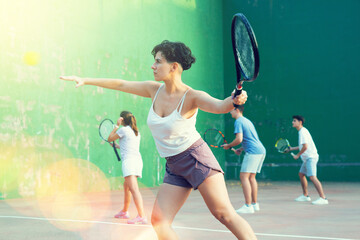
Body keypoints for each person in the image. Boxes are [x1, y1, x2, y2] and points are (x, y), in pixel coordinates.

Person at [61, 40, 257, 240]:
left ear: (173, 66)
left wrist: (234, 99)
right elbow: (121, 84)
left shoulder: (192, 96)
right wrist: (85, 79)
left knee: (223, 214)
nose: (153, 66)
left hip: (196, 159)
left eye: (158, 61)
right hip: (173, 165)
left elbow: (220, 106)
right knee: (159, 222)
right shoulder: (153, 90)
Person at [222, 105, 266, 214]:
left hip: (253, 152)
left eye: (231, 110)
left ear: (237, 110)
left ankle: (248, 206)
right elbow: (250, 138)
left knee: (244, 177)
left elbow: (239, 139)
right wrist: (241, 149)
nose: (229, 112)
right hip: (260, 150)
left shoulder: (238, 122)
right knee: (251, 177)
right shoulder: (247, 121)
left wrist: (228, 145)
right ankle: (254, 204)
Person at [108, 111, 147, 224]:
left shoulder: (123, 130)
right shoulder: (136, 131)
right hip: (137, 161)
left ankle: (141, 216)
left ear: (122, 119)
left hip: (129, 162)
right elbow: (128, 146)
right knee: (127, 187)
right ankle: (125, 212)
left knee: (134, 190)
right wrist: (118, 146)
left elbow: (110, 138)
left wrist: (116, 126)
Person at [287, 115, 328, 205]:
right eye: (292, 121)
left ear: (300, 122)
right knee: (301, 174)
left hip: (311, 157)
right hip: (307, 158)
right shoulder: (302, 131)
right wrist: (291, 149)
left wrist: (297, 155)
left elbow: (305, 147)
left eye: (294, 121)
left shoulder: (302, 132)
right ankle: (305, 196)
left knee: (312, 177)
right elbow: (302, 145)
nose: (292, 122)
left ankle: (323, 198)